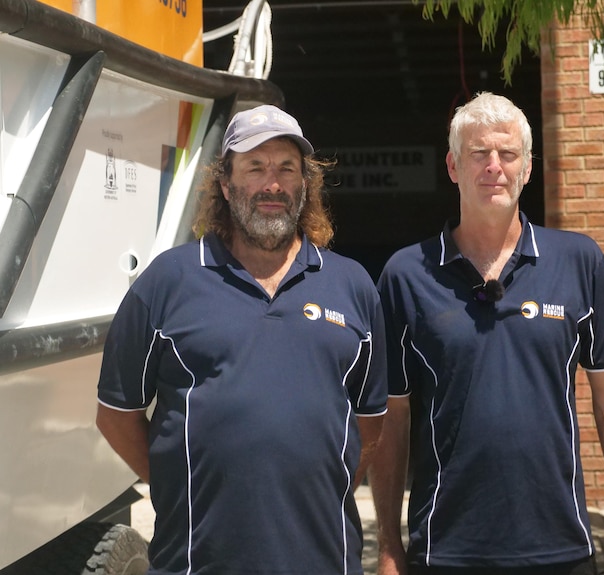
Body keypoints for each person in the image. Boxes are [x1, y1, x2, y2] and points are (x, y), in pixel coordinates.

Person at [369, 92, 604, 575]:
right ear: (454, 166)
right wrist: (389, 547)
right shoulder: (406, 275)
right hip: (444, 552)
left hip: (562, 549)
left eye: (508, 155)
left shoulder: (578, 261)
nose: (494, 167)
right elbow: (391, 416)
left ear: (526, 168)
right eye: (478, 154)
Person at [96, 104, 387, 575]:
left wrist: (317, 484)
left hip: (325, 560)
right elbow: (115, 414)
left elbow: (370, 425)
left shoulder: (352, 286)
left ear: (304, 185)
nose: (272, 184)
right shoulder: (167, 282)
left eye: (286, 169)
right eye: (255, 167)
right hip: (198, 562)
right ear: (227, 185)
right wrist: (182, 486)